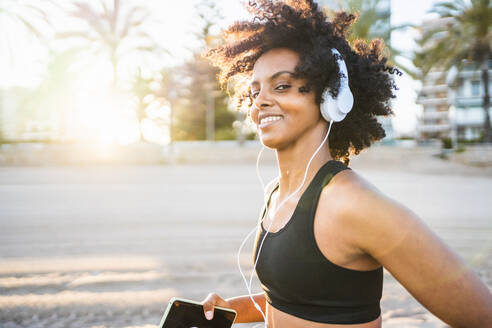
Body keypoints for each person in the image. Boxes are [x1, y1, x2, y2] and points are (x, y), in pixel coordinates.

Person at [200, 1, 492, 327]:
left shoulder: (353, 203)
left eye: (282, 85)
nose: (261, 101)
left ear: (330, 96)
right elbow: (297, 298)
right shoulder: (275, 192)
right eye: (255, 91)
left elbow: (481, 315)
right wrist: (235, 309)